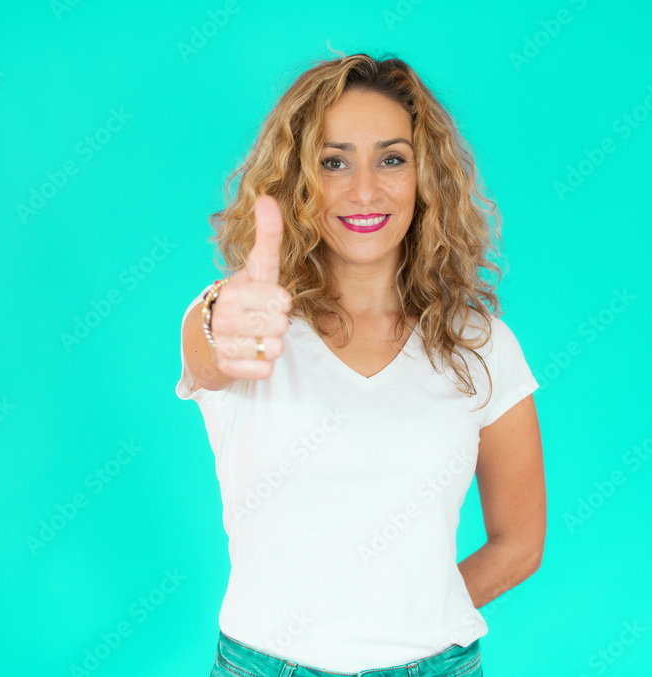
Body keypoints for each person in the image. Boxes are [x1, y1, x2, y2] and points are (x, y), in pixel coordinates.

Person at [177, 52, 545, 677]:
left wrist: (408, 613)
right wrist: (220, 315)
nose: (366, 189)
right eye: (334, 161)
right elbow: (211, 355)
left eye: (392, 159)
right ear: (298, 179)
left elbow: (519, 543)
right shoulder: (249, 317)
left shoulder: (480, 343)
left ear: (425, 177)